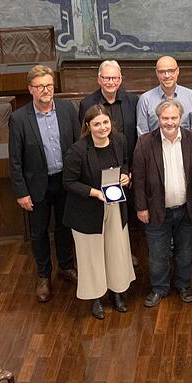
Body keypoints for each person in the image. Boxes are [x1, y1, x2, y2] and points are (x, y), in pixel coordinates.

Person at [8, 64, 80, 302]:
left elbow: (78, 147)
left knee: (64, 226)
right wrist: (21, 192)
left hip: (65, 181)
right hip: (36, 185)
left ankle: (66, 266)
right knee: (39, 233)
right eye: (40, 86)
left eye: (49, 85)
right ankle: (43, 276)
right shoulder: (19, 119)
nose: (45, 90)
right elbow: (15, 160)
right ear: (30, 89)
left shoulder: (67, 109)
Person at [63, 104, 135, 319]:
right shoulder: (77, 150)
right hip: (87, 212)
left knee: (116, 252)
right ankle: (96, 298)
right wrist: (94, 193)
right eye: (97, 124)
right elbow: (68, 182)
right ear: (88, 125)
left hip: (114, 207)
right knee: (92, 257)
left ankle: (116, 293)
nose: (102, 127)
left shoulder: (119, 141)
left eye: (105, 122)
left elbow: (124, 163)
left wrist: (126, 176)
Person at [132, 100, 192, 308]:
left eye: (173, 118)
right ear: (158, 119)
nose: (169, 122)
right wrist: (141, 207)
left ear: (180, 118)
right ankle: (159, 288)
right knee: (157, 254)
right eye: (165, 118)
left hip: (186, 208)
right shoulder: (145, 142)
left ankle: (183, 284)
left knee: (185, 251)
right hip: (155, 210)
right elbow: (138, 179)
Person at [79, 59, 141, 266]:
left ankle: (125, 254)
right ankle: (106, 256)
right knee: (105, 217)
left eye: (114, 77)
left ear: (121, 79)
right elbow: (84, 140)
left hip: (127, 170)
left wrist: (130, 171)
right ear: (99, 79)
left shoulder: (133, 101)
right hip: (99, 173)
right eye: (106, 78)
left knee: (128, 215)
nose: (110, 82)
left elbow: (136, 137)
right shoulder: (87, 104)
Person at [136, 56, 192, 135]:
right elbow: (143, 134)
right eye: (162, 72)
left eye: (171, 71)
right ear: (157, 73)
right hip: (154, 146)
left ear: (177, 71)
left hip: (184, 146)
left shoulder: (191, 96)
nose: (167, 75)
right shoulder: (145, 99)